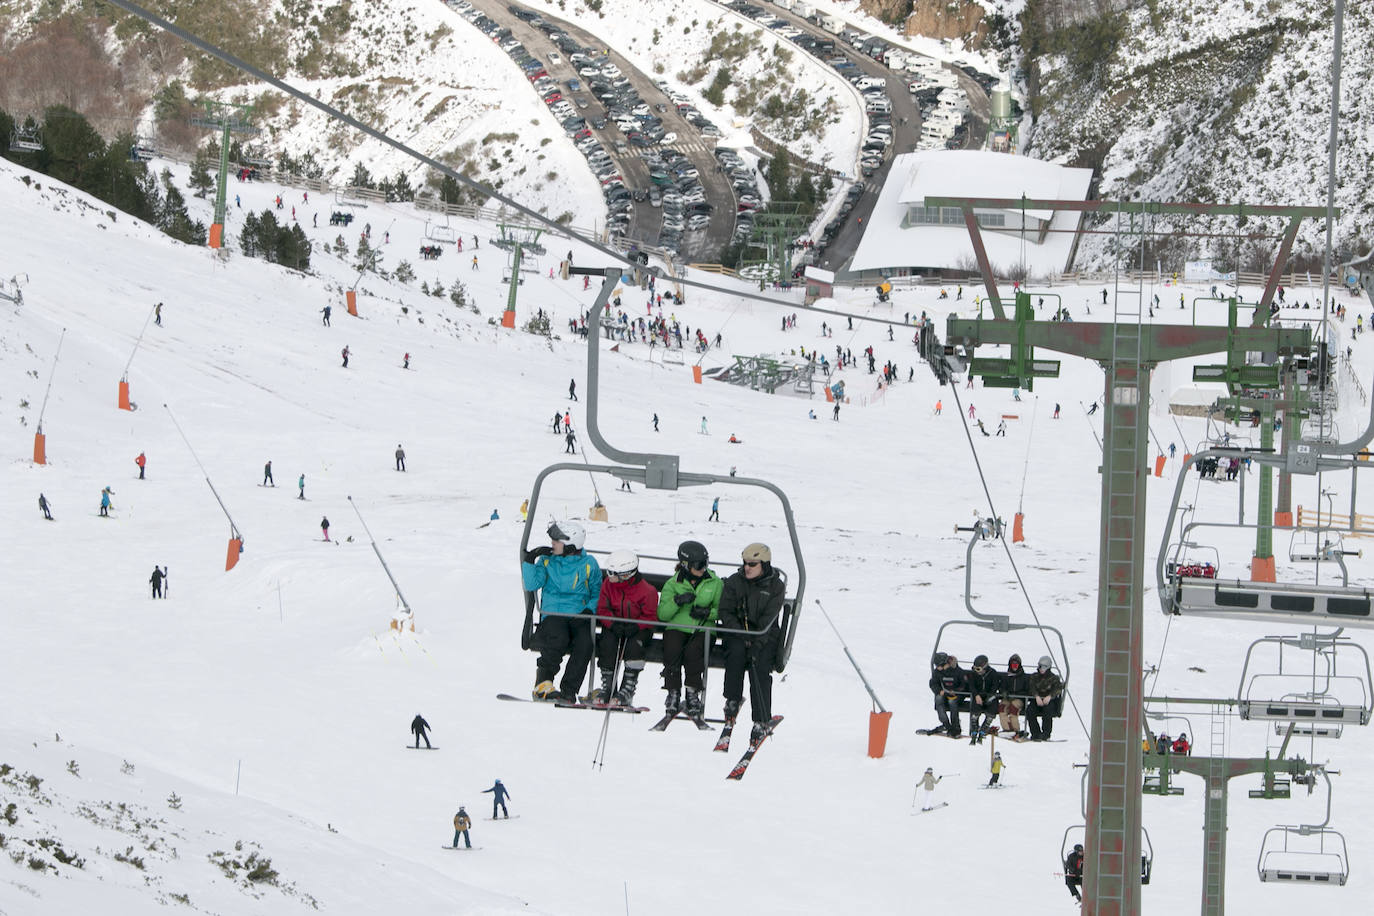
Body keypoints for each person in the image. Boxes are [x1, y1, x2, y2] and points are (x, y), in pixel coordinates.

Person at [522, 520, 601, 702]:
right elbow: (532, 584)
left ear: (570, 545)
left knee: (585, 644)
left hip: (579, 615)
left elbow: (597, 592)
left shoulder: (589, 564)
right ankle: (543, 683)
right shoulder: (547, 561)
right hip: (554, 614)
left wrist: (589, 610)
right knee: (558, 637)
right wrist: (530, 560)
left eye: (556, 541)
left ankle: (569, 690)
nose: (552, 544)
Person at [719, 543, 785, 744]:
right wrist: (740, 632)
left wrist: (756, 642)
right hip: (738, 633)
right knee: (736, 654)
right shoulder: (735, 582)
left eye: (752, 564)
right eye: (745, 563)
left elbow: (769, 618)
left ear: (764, 564)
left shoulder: (775, 586)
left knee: (760, 664)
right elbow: (725, 611)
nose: (747, 567)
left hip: (765, 635)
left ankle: (761, 718)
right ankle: (732, 699)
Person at [657, 540, 722, 718]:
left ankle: (693, 692)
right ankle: (673, 691)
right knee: (672, 648)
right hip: (677, 626)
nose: (703, 569)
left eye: (705, 564)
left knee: (694, 651)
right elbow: (662, 614)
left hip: (702, 629)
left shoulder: (714, 583)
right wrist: (677, 601)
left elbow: (722, 610)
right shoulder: (673, 584)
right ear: (686, 565)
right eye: (699, 565)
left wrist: (707, 613)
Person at [588, 550, 659, 706]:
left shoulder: (648, 591)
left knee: (635, 646)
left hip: (638, 629)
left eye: (613, 573)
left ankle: (628, 687)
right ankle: (608, 686)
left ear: (626, 575)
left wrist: (637, 626)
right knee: (607, 643)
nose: (609, 576)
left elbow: (650, 616)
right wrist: (612, 623)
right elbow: (602, 609)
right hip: (615, 625)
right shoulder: (608, 585)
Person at [965, 654, 1001, 743]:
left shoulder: (993, 673)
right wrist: (976, 695)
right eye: (975, 669)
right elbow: (972, 686)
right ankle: (974, 727)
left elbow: (995, 686)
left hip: (989, 695)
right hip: (978, 696)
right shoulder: (973, 674)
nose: (977, 671)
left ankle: (985, 727)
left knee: (992, 707)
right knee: (975, 707)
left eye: (978, 669)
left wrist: (989, 697)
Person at [1027, 656, 1064, 741]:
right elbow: (1031, 687)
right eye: (1040, 666)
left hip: (1049, 701)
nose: (1041, 669)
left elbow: (1058, 688)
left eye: (1044, 667)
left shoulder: (1054, 678)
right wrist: (1036, 696)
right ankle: (1035, 733)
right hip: (1037, 701)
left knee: (1048, 711)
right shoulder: (1034, 677)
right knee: (1030, 710)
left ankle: (1046, 734)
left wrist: (1050, 696)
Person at [929, 652, 965, 738]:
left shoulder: (957, 671)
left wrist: (955, 691)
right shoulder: (937, 672)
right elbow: (933, 683)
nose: (939, 668)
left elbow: (963, 685)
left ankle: (955, 726)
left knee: (952, 702)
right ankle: (946, 724)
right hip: (944, 693)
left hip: (957, 695)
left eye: (940, 666)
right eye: (937, 666)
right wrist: (939, 690)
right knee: (938, 699)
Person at [998, 654, 1029, 738]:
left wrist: (1017, 695)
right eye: (1013, 665)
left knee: (1013, 707)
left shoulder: (1024, 677)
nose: (1014, 667)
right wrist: (1004, 693)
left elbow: (1027, 691)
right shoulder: (1007, 676)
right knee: (1002, 707)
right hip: (1008, 698)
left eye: (1016, 665)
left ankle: (1016, 730)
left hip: (1019, 699)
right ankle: (1007, 729)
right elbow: (1002, 687)